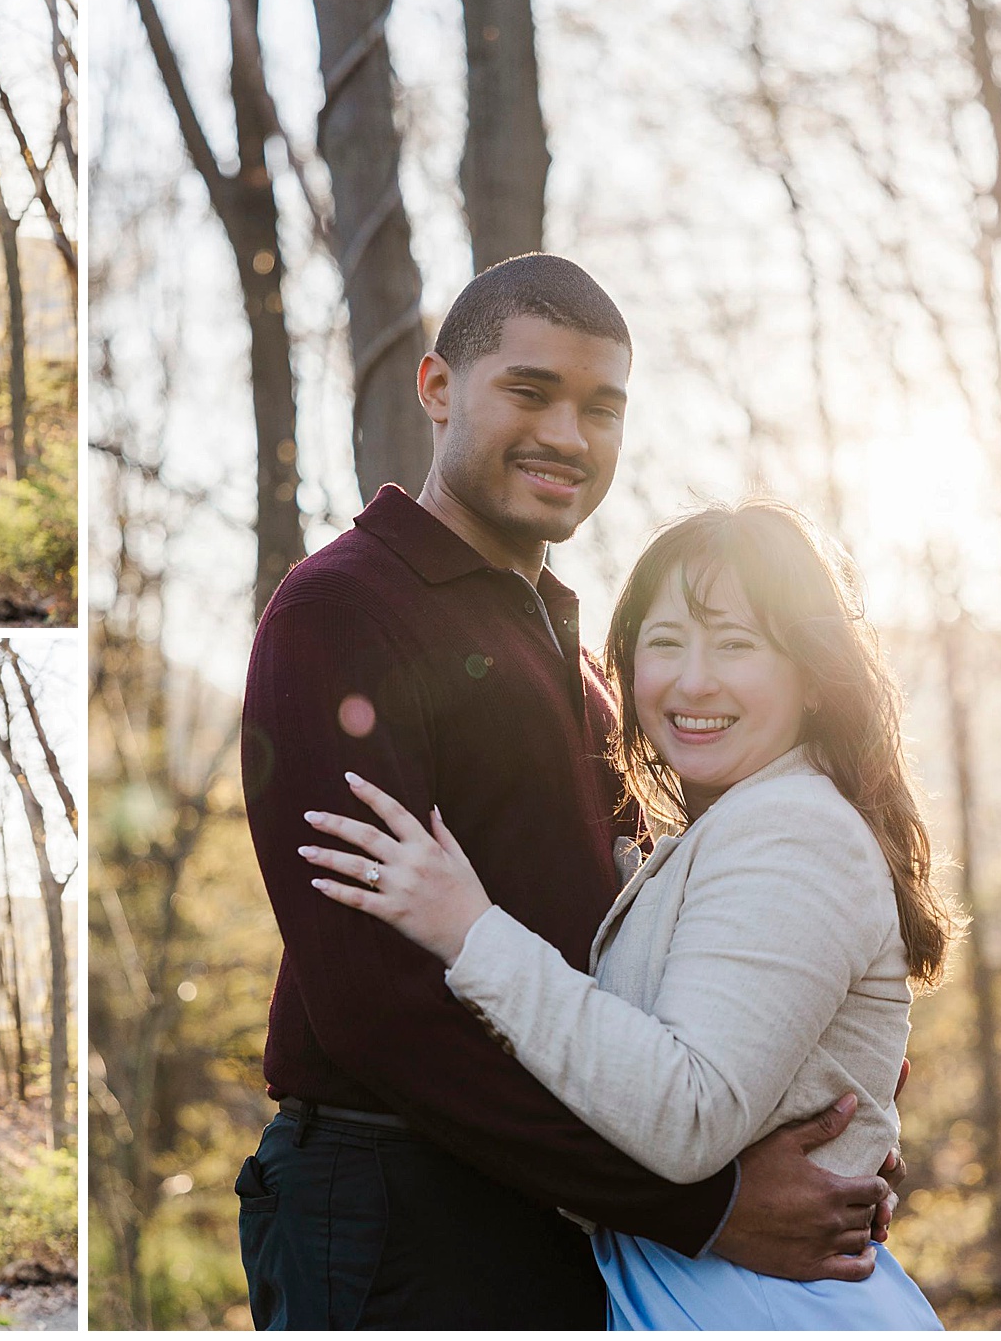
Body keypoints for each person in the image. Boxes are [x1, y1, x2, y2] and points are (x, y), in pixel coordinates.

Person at [237, 254, 903, 1329]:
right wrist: (705, 1206)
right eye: (529, 391)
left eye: (600, 408)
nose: (567, 436)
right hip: (397, 1206)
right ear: (438, 388)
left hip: (562, 1213)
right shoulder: (342, 612)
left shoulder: (576, 655)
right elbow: (373, 1013)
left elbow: (659, 977)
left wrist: (836, 1140)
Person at [305, 500, 952, 1328]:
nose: (693, 680)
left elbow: (687, 1113)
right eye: (666, 641)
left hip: (770, 1306)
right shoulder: (731, 828)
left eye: (737, 643)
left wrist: (470, 930)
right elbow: (623, 1089)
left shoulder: (792, 829)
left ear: (813, 675)